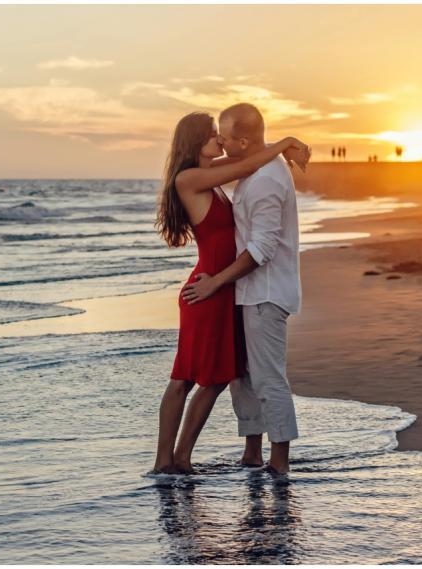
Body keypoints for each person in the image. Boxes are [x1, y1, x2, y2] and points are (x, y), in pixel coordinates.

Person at [152, 111, 309, 474]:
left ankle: (180, 460)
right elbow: (246, 161)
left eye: (221, 136)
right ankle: (168, 461)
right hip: (208, 289)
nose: (219, 141)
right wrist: (285, 143)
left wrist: (276, 147)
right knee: (188, 377)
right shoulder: (192, 178)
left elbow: (245, 156)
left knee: (217, 376)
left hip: (223, 288)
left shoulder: (210, 174)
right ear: (196, 142)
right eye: (212, 136)